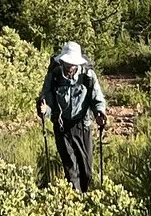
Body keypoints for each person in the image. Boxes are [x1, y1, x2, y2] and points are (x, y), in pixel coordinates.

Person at [36, 40, 109, 191]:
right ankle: (76, 200)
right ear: (61, 62)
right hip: (62, 126)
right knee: (71, 169)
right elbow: (47, 100)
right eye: (67, 64)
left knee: (86, 170)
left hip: (82, 125)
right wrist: (45, 110)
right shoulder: (54, 76)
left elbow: (97, 98)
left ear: (77, 64)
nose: (69, 68)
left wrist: (99, 113)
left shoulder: (88, 76)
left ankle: (85, 195)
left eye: (72, 65)